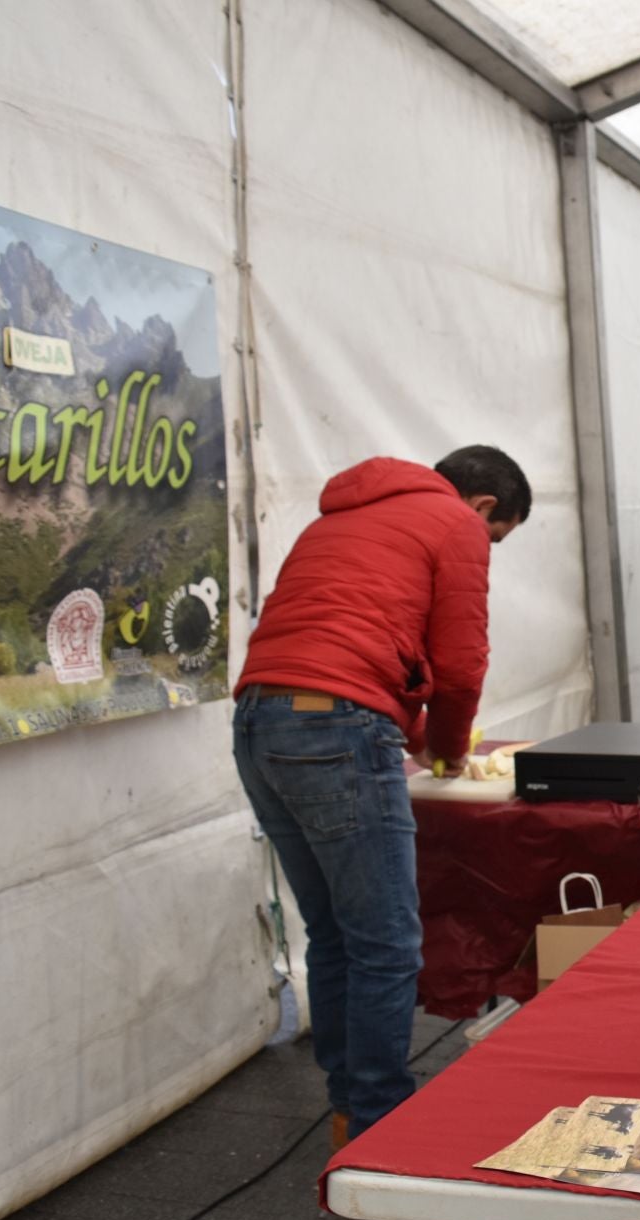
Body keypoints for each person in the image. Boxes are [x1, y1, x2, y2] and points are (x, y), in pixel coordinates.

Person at [232, 446, 530, 1146]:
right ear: (484, 506)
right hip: (336, 729)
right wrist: (448, 748)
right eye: (496, 537)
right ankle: (380, 1126)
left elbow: (343, 648)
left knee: (335, 934)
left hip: (259, 722)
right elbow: (460, 665)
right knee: (388, 944)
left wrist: (416, 736)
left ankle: (350, 1111)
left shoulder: (340, 518)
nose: (487, 546)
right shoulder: (454, 523)